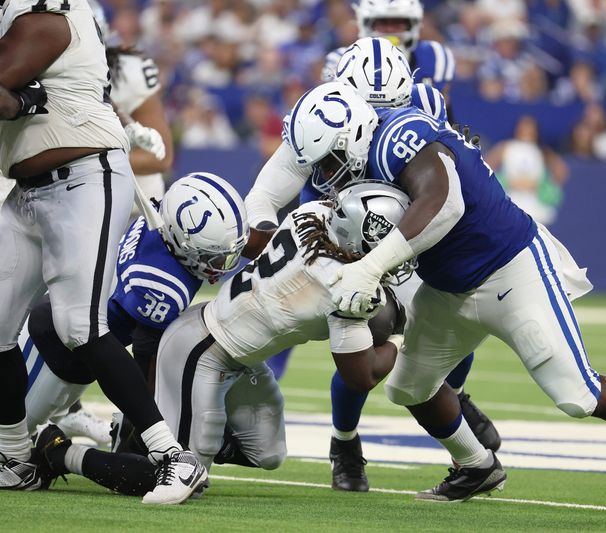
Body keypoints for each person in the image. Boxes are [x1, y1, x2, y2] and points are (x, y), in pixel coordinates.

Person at [286, 81, 606, 506]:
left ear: (353, 132)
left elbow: (445, 205)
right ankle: (476, 466)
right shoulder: (361, 157)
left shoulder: (398, 135)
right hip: (448, 286)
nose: (326, 174)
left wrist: (370, 267)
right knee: (409, 387)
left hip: (509, 268)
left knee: (579, 394)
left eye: (328, 160)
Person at [34, 181, 408, 497]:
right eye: (392, 240)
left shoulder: (309, 216)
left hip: (239, 354)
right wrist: (399, 332)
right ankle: (58, 451)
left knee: (268, 453)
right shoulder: (344, 286)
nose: (398, 251)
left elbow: (260, 241)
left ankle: (177, 436)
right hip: (199, 349)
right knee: (174, 477)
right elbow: (362, 377)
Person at [245, 40, 499, 493]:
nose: (378, 121)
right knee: (365, 347)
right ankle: (345, 443)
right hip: (338, 239)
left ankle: (461, 418)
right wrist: (275, 236)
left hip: (404, 239)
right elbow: (265, 195)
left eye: (390, 109)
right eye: (366, 108)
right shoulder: (324, 113)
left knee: (454, 329)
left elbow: (447, 184)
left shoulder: (423, 109)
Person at [0, 0, 205, 504]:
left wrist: (19, 103)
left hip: (85, 179)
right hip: (29, 189)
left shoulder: (45, 17)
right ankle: (15, 457)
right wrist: (22, 103)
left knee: (79, 327)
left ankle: (173, 458)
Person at [22, 172, 248, 453]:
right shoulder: (161, 282)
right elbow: (143, 359)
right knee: (15, 433)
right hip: (57, 347)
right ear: (182, 242)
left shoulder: (159, 220)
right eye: (211, 256)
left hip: (78, 330)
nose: (220, 264)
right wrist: (141, 423)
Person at [323, 0, 455, 98]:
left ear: (413, 25)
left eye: (398, 23)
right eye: (382, 23)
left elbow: (443, 116)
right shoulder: (341, 61)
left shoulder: (435, 56)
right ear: (366, 25)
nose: (390, 31)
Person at [485, 115, 568, 226]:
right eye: (523, 127)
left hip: (535, 201)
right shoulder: (506, 147)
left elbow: (561, 172)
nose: (526, 131)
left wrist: (541, 184)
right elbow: (485, 166)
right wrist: (506, 181)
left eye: (530, 128)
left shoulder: (542, 151)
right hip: (510, 197)